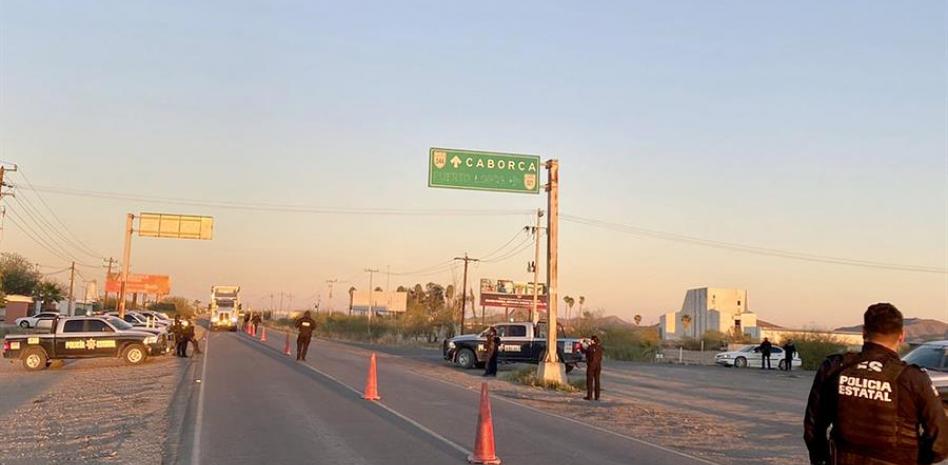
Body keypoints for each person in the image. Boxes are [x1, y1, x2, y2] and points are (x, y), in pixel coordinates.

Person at [804, 303, 948, 465]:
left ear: (864, 332)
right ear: (902, 336)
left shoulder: (835, 367)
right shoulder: (913, 378)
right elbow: (940, 443)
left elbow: (813, 427)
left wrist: (822, 459)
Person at [582, 335, 604, 401]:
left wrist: (584, 343)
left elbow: (584, 351)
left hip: (591, 365)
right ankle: (597, 396)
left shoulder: (590, 347)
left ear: (592, 341)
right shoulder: (600, 347)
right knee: (597, 381)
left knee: (589, 381)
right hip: (598, 366)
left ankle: (590, 396)